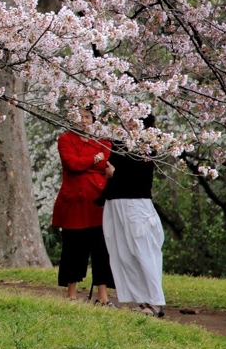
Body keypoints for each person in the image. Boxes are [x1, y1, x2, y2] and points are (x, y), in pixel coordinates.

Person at [102, 115, 165, 316]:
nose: (129, 124)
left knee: (144, 250)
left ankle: (155, 302)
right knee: (122, 252)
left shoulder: (148, 144)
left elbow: (140, 173)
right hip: (115, 201)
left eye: (134, 120)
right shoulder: (119, 142)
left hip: (136, 203)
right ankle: (141, 300)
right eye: (127, 119)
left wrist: (116, 174)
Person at [51, 107, 115, 305]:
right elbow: (72, 164)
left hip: (97, 200)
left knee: (101, 249)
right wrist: (95, 159)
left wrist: (90, 162)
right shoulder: (65, 139)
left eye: (87, 116)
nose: (83, 120)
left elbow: (104, 164)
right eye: (79, 116)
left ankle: (103, 296)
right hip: (74, 201)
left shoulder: (104, 142)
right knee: (73, 247)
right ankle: (71, 294)